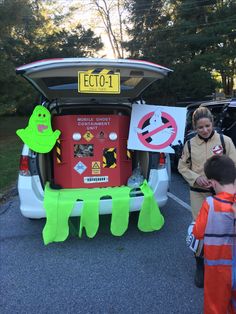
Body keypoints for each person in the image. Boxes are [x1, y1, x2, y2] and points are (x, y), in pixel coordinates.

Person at [178, 107, 236, 288]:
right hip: (199, 194)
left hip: (223, 194)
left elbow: (233, 165)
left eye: (208, 126)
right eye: (200, 127)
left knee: (225, 228)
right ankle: (200, 264)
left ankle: (225, 264)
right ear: (194, 127)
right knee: (199, 230)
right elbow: (182, 167)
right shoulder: (189, 144)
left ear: (213, 124)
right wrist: (196, 178)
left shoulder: (225, 141)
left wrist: (222, 182)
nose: (204, 130)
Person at [192, 155, 236, 314]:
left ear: (212, 183)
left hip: (218, 269)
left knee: (215, 307)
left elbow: (197, 233)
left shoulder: (210, 204)